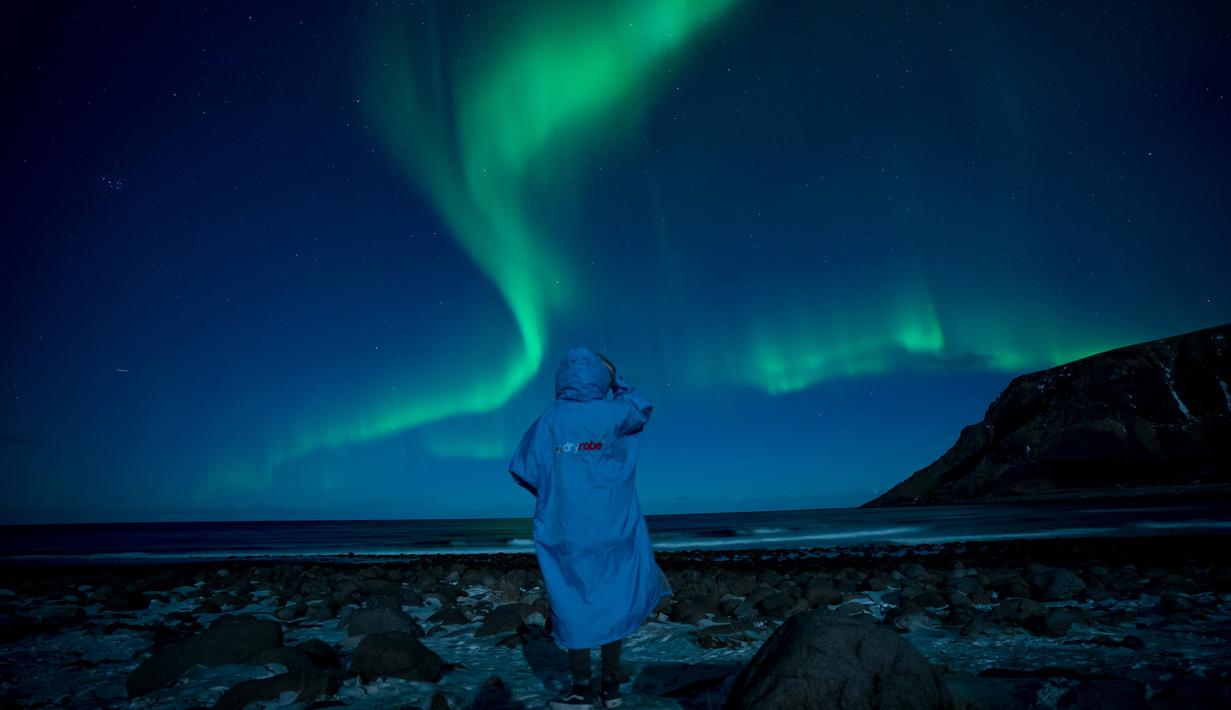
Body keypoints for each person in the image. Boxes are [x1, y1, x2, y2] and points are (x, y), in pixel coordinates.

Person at [510, 347, 672, 710]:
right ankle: (610, 689)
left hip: (566, 531)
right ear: (603, 379)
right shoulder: (613, 413)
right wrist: (619, 382)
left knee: (575, 603)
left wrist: (560, 484)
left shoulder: (548, 421)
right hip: (614, 528)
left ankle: (582, 690)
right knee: (612, 602)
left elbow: (524, 469)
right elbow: (642, 405)